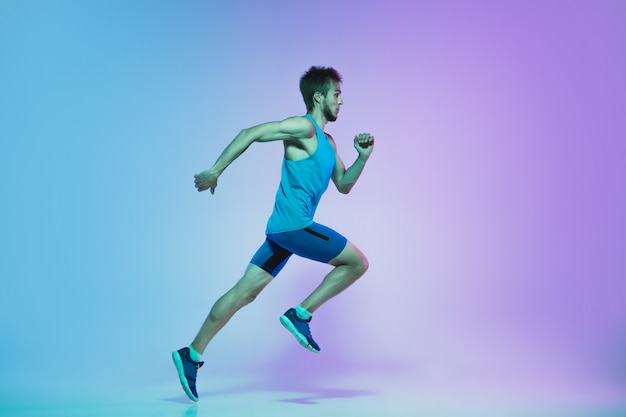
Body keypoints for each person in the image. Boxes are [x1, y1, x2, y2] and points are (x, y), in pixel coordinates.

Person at [172, 66, 374, 402]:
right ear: (318, 96)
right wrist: (215, 171)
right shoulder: (303, 127)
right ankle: (301, 313)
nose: (342, 101)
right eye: (336, 94)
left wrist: (362, 158)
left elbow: (344, 185)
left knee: (243, 294)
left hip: (283, 232)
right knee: (357, 263)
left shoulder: (327, 141)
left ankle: (190, 355)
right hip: (294, 227)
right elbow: (250, 132)